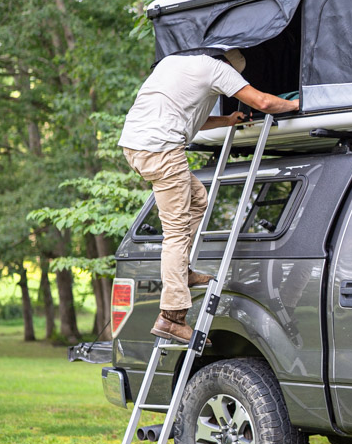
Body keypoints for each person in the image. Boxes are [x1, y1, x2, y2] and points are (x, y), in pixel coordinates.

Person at [118, 48, 299, 343]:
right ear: (231, 68)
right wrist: (293, 105)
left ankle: (182, 271)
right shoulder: (219, 70)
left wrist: (228, 120)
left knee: (198, 199)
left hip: (137, 146)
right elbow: (263, 101)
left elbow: (191, 119)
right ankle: (171, 316)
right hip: (163, 149)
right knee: (176, 232)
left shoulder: (173, 64)